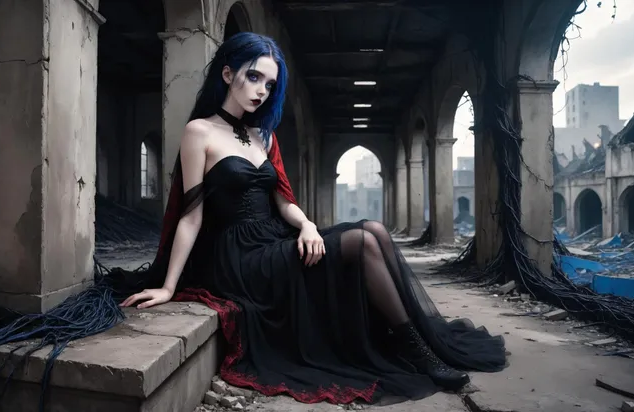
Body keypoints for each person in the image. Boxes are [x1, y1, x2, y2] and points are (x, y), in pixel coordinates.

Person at [117, 32, 507, 405]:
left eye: (269, 84)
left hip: (273, 238)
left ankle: (416, 342)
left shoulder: (264, 136)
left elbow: (283, 200)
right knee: (362, 240)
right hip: (237, 258)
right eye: (253, 77)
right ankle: (418, 352)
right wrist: (169, 287)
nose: (260, 91)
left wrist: (306, 225)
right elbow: (190, 216)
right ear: (227, 74)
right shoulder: (198, 132)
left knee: (373, 229)